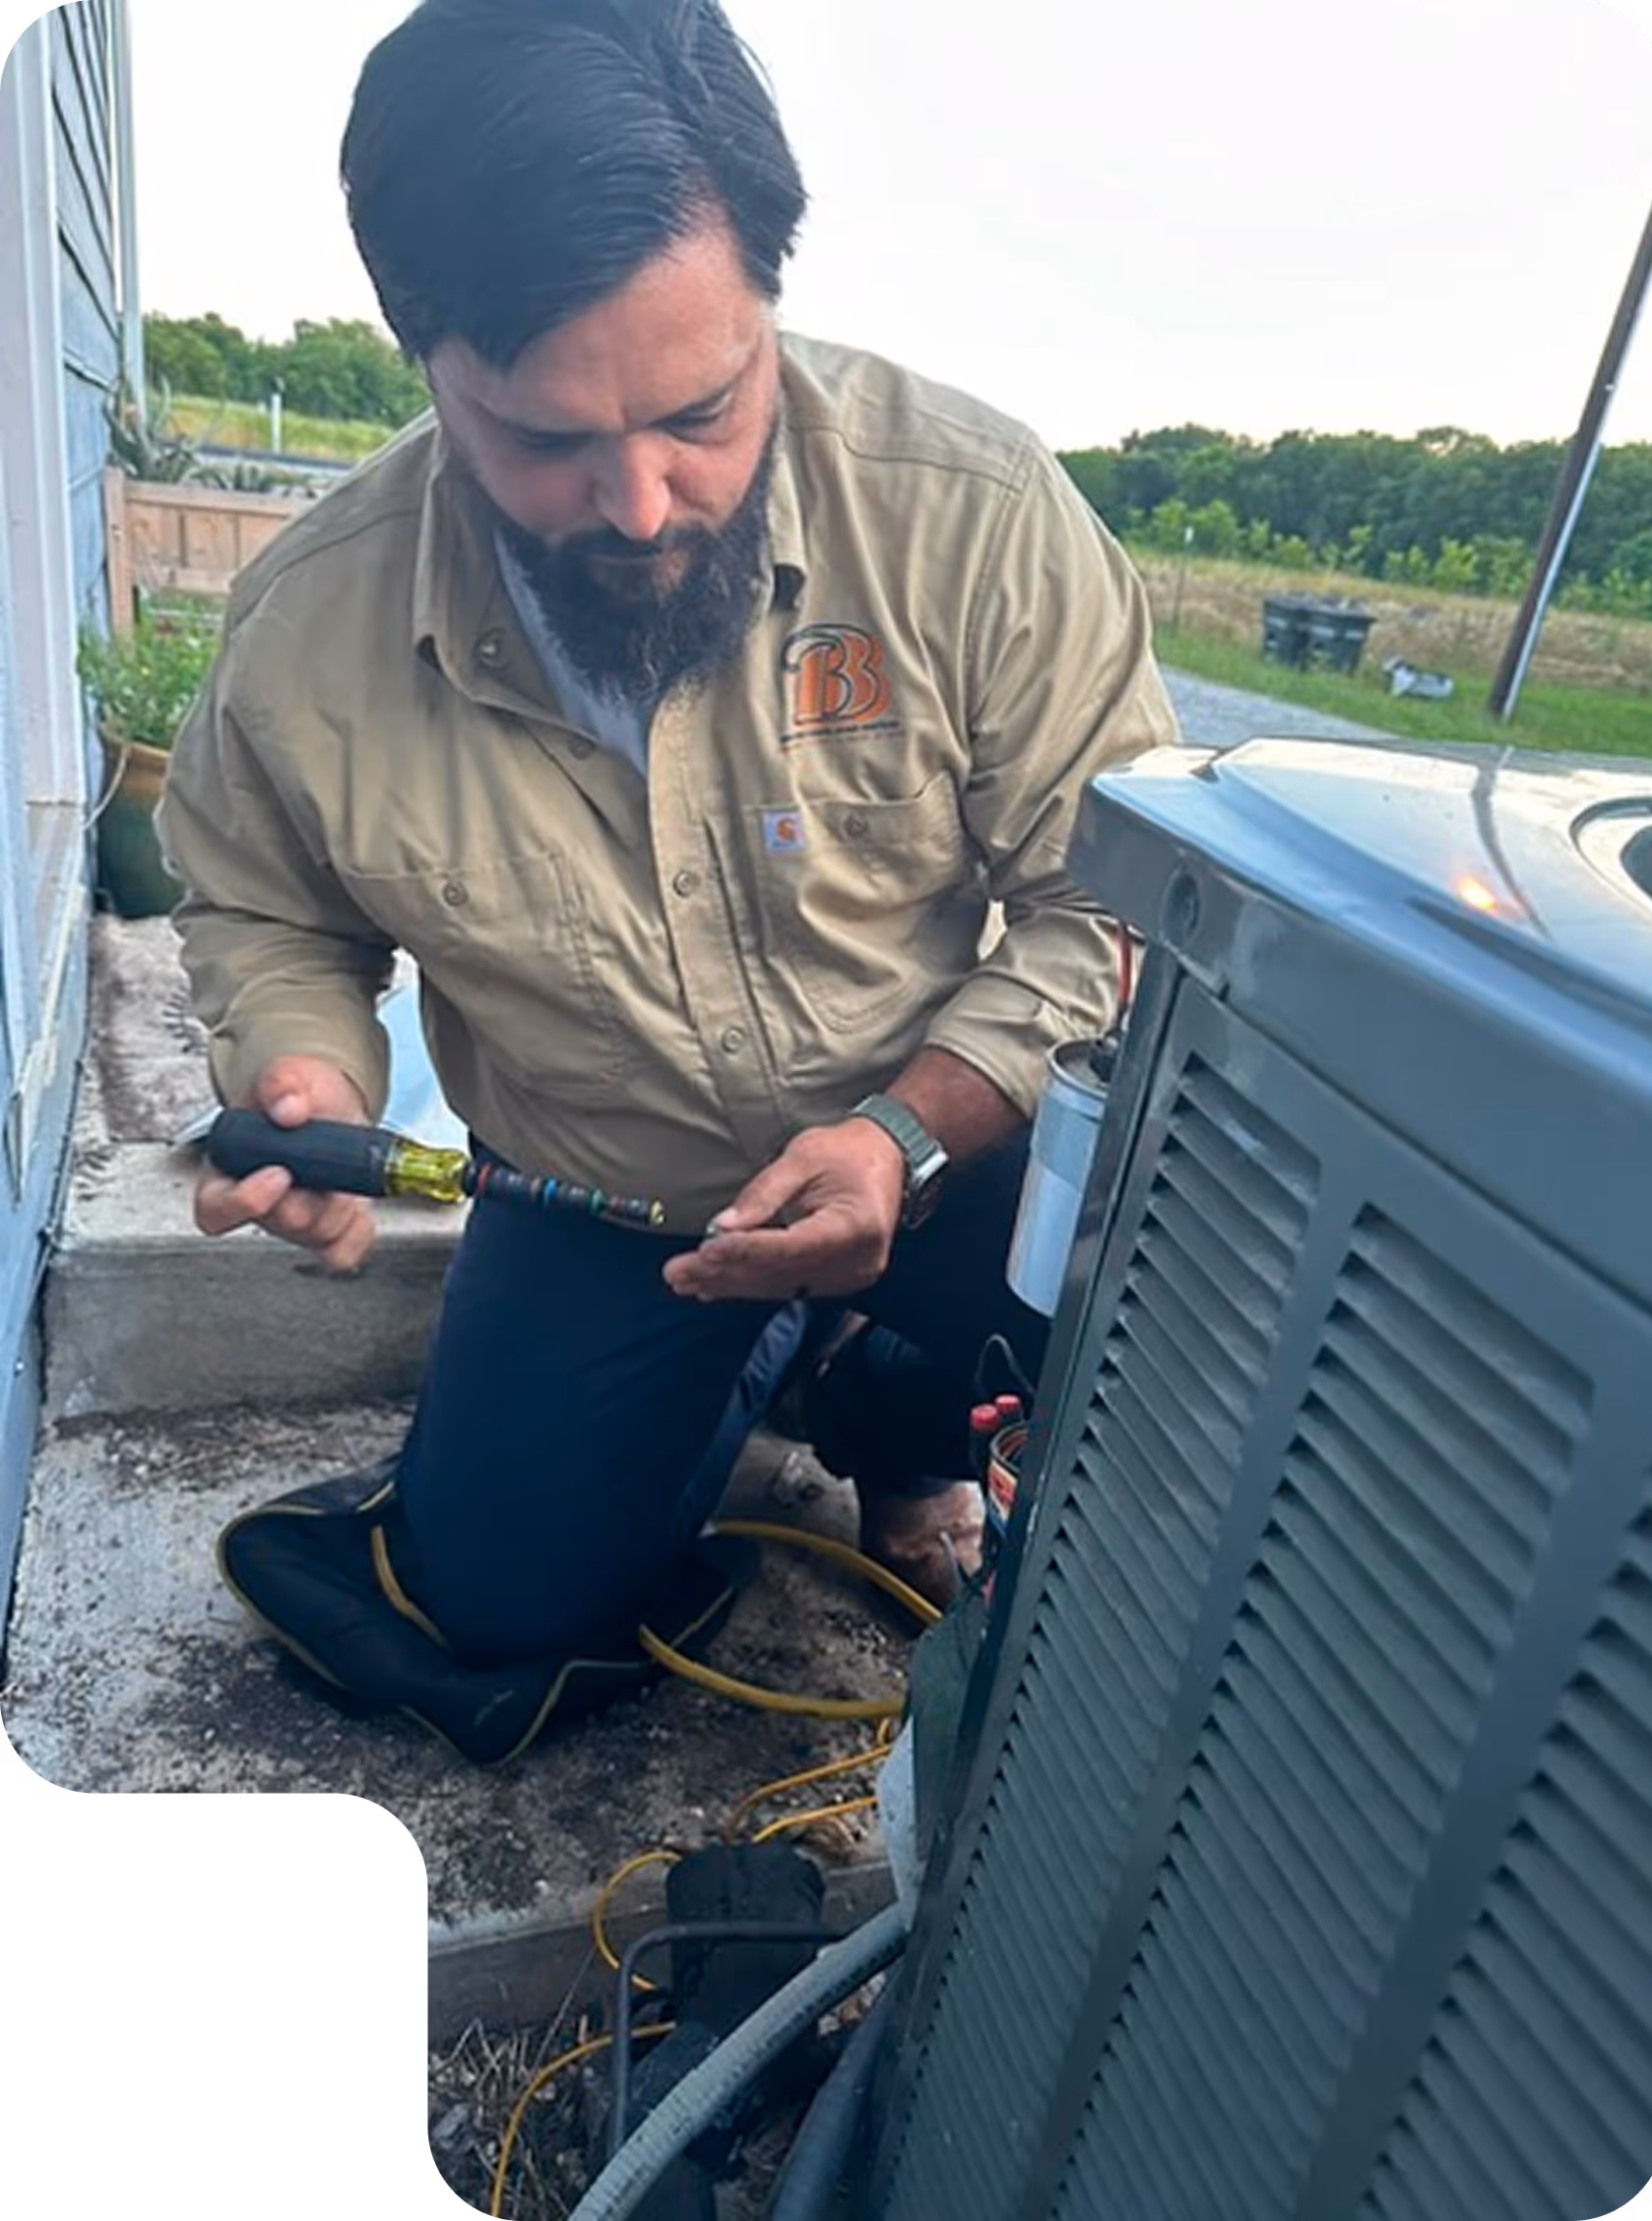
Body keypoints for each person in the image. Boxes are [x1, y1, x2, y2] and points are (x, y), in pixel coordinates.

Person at [159, 0, 1179, 1764]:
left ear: (768, 291)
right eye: (544, 439)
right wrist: (303, 1069)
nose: (640, 503)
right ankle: (782, 1343)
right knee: (497, 1602)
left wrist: (903, 1136)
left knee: (1161, 1397)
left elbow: (1120, 906)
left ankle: (902, 1407)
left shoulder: (974, 513)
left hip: (957, 1152)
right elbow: (266, 912)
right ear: (425, 357)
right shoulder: (307, 628)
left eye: (704, 411)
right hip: (606, 1204)